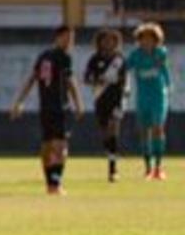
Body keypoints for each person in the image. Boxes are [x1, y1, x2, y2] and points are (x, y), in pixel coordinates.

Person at [9, 25, 82, 194]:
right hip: (59, 107)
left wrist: (19, 101)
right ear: (58, 38)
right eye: (67, 38)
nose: (70, 42)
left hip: (45, 108)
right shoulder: (64, 57)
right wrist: (78, 103)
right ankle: (55, 184)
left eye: (72, 39)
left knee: (47, 146)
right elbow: (70, 81)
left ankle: (50, 184)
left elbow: (31, 79)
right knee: (60, 146)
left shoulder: (43, 56)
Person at [125, 22, 170, 180]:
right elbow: (124, 68)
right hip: (142, 97)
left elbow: (165, 71)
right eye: (143, 38)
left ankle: (158, 167)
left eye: (150, 39)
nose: (147, 42)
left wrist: (168, 87)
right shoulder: (135, 55)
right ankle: (147, 168)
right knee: (144, 131)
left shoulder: (160, 53)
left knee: (158, 128)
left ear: (156, 40)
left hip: (158, 96)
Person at [82, 28, 128, 183]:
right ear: (100, 42)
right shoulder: (94, 59)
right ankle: (111, 152)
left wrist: (121, 89)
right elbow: (86, 78)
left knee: (113, 126)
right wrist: (97, 80)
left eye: (112, 40)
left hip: (117, 99)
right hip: (101, 99)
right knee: (104, 132)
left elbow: (124, 80)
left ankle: (113, 168)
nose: (108, 43)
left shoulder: (120, 60)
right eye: (105, 40)